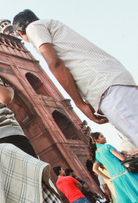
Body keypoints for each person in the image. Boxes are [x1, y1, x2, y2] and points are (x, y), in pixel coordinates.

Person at [12, 9, 138, 147]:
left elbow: (55, 63)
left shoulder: (33, 28)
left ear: (20, 33)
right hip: (114, 82)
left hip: (106, 86)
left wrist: (80, 104)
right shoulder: (53, 26)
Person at [91, 132, 138, 203]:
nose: (105, 137)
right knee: (136, 196)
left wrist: (108, 178)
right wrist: (124, 153)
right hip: (125, 174)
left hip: (116, 179)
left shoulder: (97, 153)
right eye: (102, 136)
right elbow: (122, 158)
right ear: (96, 140)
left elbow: (94, 169)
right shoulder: (107, 146)